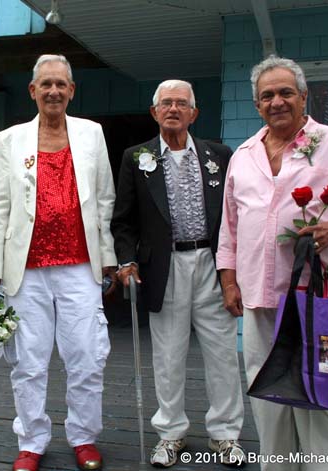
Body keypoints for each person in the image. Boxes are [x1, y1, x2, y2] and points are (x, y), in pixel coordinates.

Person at [217, 55, 328, 470]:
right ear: (257, 105)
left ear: (303, 97)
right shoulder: (244, 154)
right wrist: (229, 282)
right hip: (258, 300)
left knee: (321, 390)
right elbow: (230, 228)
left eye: (286, 92)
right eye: (267, 95)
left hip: (319, 300)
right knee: (267, 393)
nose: (277, 101)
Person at [0, 54, 117, 471]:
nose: (54, 91)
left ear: (72, 90)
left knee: (87, 356)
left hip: (80, 264)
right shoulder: (10, 139)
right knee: (28, 360)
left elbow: (105, 199)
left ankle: (84, 436)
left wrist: (108, 256)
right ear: (33, 91)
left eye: (61, 84)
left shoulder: (92, 134)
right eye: (46, 84)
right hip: (27, 268)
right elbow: (1, 206)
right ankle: (32, 440)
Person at [111, 79, 246, 468]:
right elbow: (123, 221)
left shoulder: (219, 154)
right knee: (168, 355)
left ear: (194, 113)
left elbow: (234, 215)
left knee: (222, 353)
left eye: (181, 103)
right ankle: (170, 433)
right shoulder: (135, 157)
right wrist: (126, 260)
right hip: (163, 267)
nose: (173, 109)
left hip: (211, 263)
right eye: (165, 103)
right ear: (154, 112)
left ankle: (225, 435)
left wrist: (232, 270)